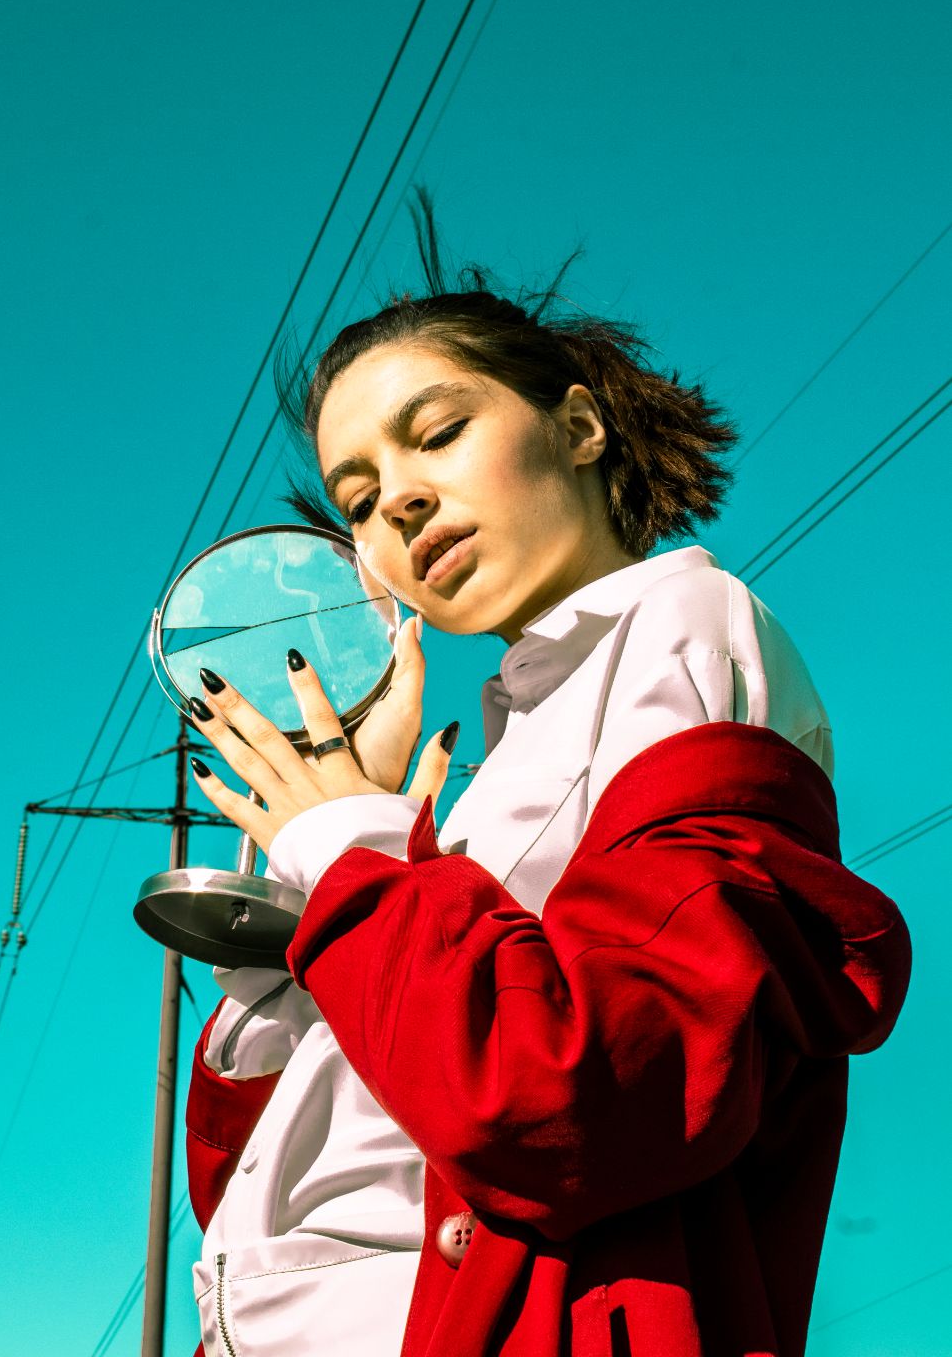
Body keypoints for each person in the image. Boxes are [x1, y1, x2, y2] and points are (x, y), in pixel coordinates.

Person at [182, 192, 910, 1357]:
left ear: (577, 426)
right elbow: (281, 1178)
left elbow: (574, 1091)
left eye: (435, 433)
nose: (396, 501)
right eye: (358, 500)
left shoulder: (679, 620)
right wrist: (316, 899)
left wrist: (351, 855)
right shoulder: (478, 775)